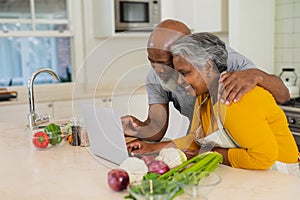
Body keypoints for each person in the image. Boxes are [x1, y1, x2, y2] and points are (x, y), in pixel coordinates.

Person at [127, 32, 299, 176]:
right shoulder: (204, 96)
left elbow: (263, 157)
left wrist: (213, 154)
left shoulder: (234, 98)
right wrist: (151, 148)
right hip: (250, 171)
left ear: (208, 67)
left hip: (279, 175)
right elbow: (194, 139)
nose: (179, 81)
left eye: (184, 73)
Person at [121, 19, 290, 142]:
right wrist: (138, 129)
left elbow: (283, 96)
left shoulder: (225, 59)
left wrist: (256, 75)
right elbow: (157, 125)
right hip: (201, 144)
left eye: (165, 63)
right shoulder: (155, 77)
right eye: (152, 61)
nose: (158, 70)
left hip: (247, 146)